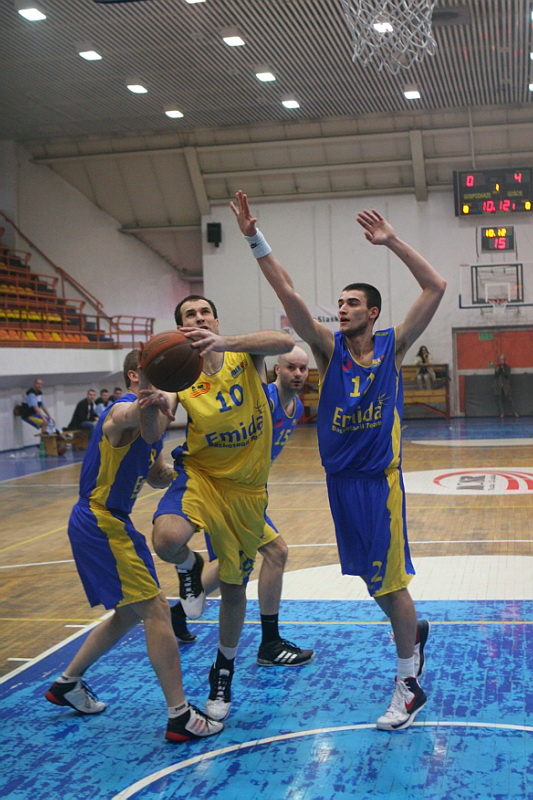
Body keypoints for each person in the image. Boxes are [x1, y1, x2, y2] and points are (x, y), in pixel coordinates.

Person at [230, 191, 447, 732]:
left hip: (378, 484)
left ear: (372, 312)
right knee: (376, 585)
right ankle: (414, 635)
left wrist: (391, 241)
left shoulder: (394, 347)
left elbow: (436, 286)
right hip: (340, 483)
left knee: (391, 585)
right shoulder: (329, 352)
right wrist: (255, 239)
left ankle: (409, 685)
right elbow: (287, 291)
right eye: (340, 302)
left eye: (352, 303)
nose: (342, 308)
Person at [45, 350, 223, 743]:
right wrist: (149, 395)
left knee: (128, 613)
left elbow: (156, 474)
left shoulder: (153, 420)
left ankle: (67, 682)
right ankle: (179, 715)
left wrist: (184, 472)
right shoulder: (122, 410)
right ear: (134, 376)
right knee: (157, 609)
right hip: (100, 521)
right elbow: (129, 418)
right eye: (153, 371)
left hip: (109, 522)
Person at [152, 296, 314, 723]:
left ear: (216, 320)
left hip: (246, 491)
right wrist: (152, 408)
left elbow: (283, 340)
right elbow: (159, 421)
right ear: (180, 328)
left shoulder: (243, 354)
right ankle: (189, 568)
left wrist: (224, 342)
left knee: (235, 585)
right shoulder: (179, 375)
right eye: (190, 314)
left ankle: (223, 670)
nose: (199, 318)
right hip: (202, 476)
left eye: (204, 312)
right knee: (166, 540)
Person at [174, 345, 310, 642]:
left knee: (232, 564)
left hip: (251, 492)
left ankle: (177, 614)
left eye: (303, 368)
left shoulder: (297, 407)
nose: (298, 373)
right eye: (291, 367)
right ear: (276, 369)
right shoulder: (262, 398)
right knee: (275, 553)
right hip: (225, 490)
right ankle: (269, 641)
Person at [494, 354, 519, 418]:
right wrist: (499, 370)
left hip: (506, 386)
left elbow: (507, 375)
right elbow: (496, 375)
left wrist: (503, 370)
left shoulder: (507, 367)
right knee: (499, 399)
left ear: (504, 360)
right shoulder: (497, 367)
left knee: (510, 399)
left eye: (502, 359)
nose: (501, 361)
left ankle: (515, 412)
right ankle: (502, 412)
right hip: (499, 385)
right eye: (500, 360)